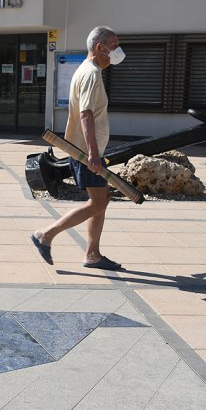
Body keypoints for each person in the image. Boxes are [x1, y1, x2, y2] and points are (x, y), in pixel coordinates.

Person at [31, 25, 126, 271]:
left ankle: (93, 254)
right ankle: (46, 235)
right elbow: (85, 115)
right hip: (85, 152)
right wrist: (93, 155)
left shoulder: (87, 71)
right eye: (114, 45)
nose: (118, 50)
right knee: (97, 202)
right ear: (99, 47)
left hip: (87, 150)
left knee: (102, 198)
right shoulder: (91, 74)